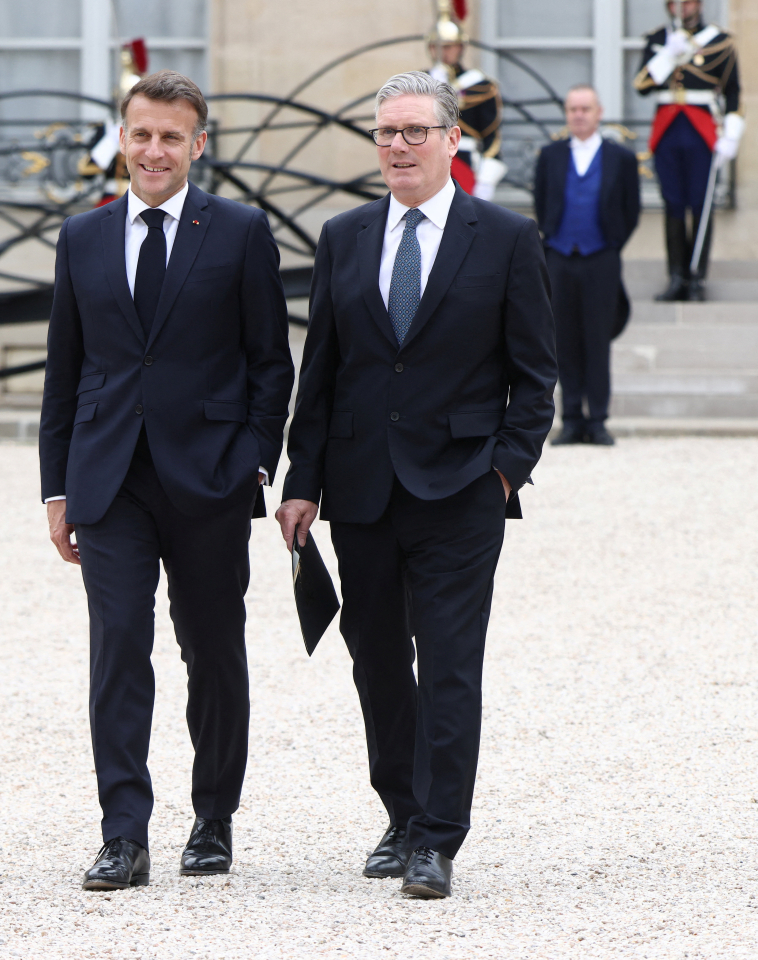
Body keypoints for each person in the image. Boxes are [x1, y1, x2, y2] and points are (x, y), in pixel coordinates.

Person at [276, 72, 556, 899]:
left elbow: (536, 375)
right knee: (375, 662)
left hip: (462, 491)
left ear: (451, 140)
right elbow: (319, 371)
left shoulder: (505, 238)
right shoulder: (345, 235)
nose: (397, 147)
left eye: (413, 133)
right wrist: (303, 482)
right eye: (386, 133)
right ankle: (400, 814)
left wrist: (505, 468)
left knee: (450, 664)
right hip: (361, 492)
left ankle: (438, 837)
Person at [39, 70, 294, 891]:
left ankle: (213, 817)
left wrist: (253, 459)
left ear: (198, 145)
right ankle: (124, 834)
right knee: (117, 651)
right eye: (142, 134)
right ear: (123, 137)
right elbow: (64, 372)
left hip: (210, 479)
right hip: (108, 481)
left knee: (213, 648)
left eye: (171, 137)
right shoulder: (81, 237)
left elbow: (270, 364)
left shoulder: (242, 231)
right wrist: (56, 488)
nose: (155, 150)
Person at [534, 85, 641, 446]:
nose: (578, 115)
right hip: (559, 257)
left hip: (601, 258)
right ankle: (571, 419)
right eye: (572, 109)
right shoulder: (550, 155)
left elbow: (631, 210)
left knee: (597, 340)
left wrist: (611, 245)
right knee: (563, 341)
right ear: (566, 114)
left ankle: (597, 420)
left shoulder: (620, 158)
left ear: (599, 112)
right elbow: (542, 201)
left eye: (585, 109)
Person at [635, 0, 743, 301]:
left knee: (700, 204)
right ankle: (676, 276)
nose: (683, 7)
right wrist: (668, 55)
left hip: (701, 129)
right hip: (668, 129)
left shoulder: (719, 42)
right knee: (672, 204)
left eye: (689, 2)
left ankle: (697, 276)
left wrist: (732, 134)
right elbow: (641, 86)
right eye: (676, 2)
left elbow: (734, 91)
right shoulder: (657, 39)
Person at [425, 0, 506, 202]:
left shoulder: (480, 85)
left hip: (466, 162)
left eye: (450, 46)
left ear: (461, 47)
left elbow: (491, 137)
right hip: (427, 158)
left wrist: (486, 181)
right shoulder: (419, 83)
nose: (444, 52)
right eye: (439, 46)